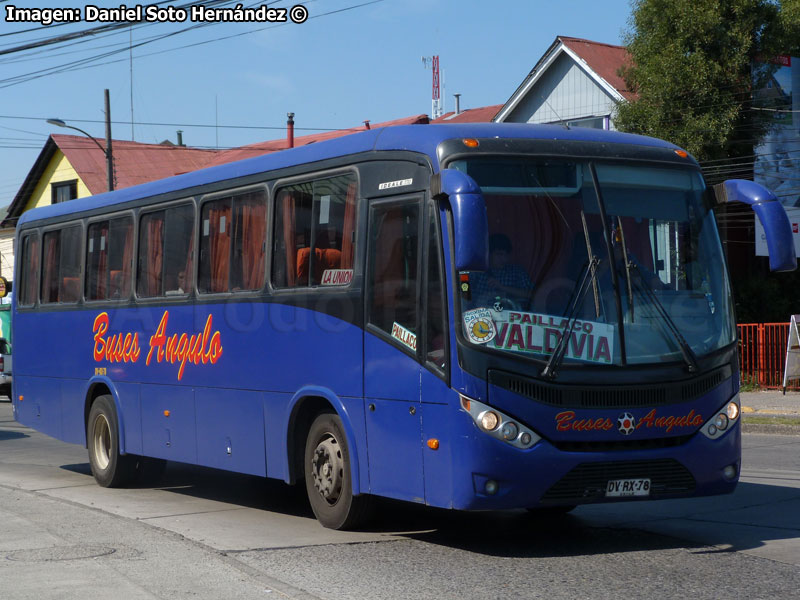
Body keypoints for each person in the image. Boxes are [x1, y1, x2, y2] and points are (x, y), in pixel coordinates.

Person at [472, 233, 535, 307]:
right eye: (499, 254)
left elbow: (531, 294)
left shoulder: (517, 272)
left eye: (506, 255)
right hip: (480, 316)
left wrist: (502, 287)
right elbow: (464, 293)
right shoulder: (478, 272)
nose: (504, 259)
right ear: (489, 254)